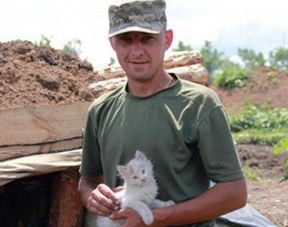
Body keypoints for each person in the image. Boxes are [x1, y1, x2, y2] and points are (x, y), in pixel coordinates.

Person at [78, 0, 247, 226]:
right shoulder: (101, 110)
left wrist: (154, 218)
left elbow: (234, 193)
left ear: (166, 39)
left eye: (147, 39)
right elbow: (88, 180)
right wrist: (92, 196)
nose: (137, 51)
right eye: (126, 40)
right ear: (113, 44)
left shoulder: (199, 105)